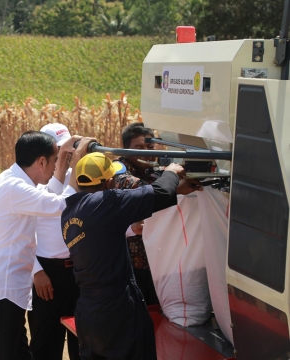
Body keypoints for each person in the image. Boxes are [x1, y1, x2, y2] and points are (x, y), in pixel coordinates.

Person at [61, 152, 201, 360]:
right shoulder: (106, 202)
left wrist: (177, 190)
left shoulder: (70, 212)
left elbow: (106, 226)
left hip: (88, 311)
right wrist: (172, 173)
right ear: (109, 182)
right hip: (117, 310)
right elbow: (159, 192)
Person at [0, 131, 92, 360]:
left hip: (8, 288)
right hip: (3, 290)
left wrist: (64, 150)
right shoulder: (15, 189)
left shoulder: (12, 178)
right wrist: (77, 163)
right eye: (55, 159)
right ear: (40, 162)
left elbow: (52, 189)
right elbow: (63, 204)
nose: (58, 165)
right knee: (2, 354)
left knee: (19, 354)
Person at [28, 123, 80, 360]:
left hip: (78, 271)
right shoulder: (31, 184)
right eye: (59, 150)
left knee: (82, 344)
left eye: (68, 150)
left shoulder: (78, 176)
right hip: (47, 273)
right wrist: (36, 272)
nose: (64, 156)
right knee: (46, 344)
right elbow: (23, 235)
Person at [114, 122, 159, 305]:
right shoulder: (119, 169)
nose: (146, 152)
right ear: (126, 150)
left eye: (150, 147)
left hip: (157, 262)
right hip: (131, 266)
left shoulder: (153, 169)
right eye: (139, 148)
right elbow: (133, 186)